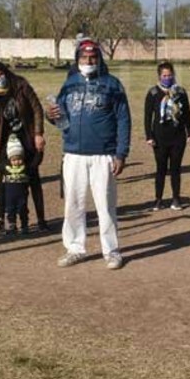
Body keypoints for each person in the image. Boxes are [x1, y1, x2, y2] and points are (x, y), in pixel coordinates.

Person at [46, 40, 131, 270]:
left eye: (93, 57)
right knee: (73, 205)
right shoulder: (70, 83)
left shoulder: (112, 85)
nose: (88, 61)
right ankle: (75, 248)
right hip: (73, 153)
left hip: (103, 155)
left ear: (99, 59)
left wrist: (121, 153)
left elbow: (124, 120)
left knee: (105, 205)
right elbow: (60, 118)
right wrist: (51, 115)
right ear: (77, 59)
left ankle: (111, 250)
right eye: (84, 57)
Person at [0, 61, 49, 234]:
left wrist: (38, 133)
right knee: (5, 179)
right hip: (5, 141)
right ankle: (0, 219)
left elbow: (37, 109)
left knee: (32, 177)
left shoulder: (20, 85)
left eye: (0, 74)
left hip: (26, 136)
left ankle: (41, 219)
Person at [144, 62, 190, 211]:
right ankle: (158, 199)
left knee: (176, 169)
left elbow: (187, 114)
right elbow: (148, 116)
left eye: (170, 75)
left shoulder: (181, 92)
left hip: (177, 136)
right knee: (160, 169)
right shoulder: (153, 93)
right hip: (159, 137)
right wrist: (149, 136)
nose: (167, 78)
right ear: (159, 76)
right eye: (164, 76)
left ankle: (176, 199)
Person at [0, 136, 32, 234]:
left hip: (22, 194)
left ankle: (24, 225)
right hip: (10, 194)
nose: (17, 162)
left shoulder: (26, 168)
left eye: (19, 159)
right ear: (10, 160)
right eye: (14, 160)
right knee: (10, 209)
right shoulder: (6, 169)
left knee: (23, 209)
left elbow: (35, 164)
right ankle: (12, 225)